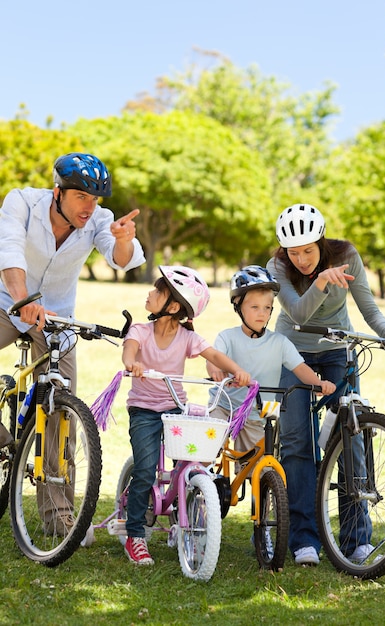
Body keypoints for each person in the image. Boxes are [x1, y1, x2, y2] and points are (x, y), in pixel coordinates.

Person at [0, 152, 146, 531]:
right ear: (57, 192)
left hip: (56, 319)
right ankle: (4, 445)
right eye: (81, 196)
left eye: (95, 198)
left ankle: (58, 516)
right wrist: (24, 300)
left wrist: (125, 241)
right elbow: (10, 250)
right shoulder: (22, 202)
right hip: (7, 302)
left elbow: (120, 258)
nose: (89, 206)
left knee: (60, 410)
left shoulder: (98, 220)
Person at [266, 203, 385, 566]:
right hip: (293, 356)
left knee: (351, 440)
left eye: (307, 250)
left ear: (321, 241)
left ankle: (355, 539)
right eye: (293, 252)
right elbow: (297, 313)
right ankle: (304, 539)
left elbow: (368, 306)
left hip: (338, 351)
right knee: (299, 444)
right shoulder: (277, 267)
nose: (301, 259)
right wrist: (319, 282)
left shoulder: (347, 255)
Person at [122, 265, 251, 565]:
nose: (150, 293)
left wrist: (237, 371)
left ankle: (182, 517)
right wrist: (132, 364)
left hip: (175, 408)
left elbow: (214, 355)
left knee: (189, 464)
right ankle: (135, 536)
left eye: (157, 290)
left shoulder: (186, 337)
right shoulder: (140, 330)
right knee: (144, 470)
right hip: (143, 410)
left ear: (173, 306)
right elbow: (129, 350)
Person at [206, 265, 335, 463]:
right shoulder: (227, 337)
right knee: (206, 451)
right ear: (238, 307)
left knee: (258, 468)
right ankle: (200, 484)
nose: (262, 313)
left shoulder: (280, 342)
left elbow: (300, 367)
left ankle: (260, 492)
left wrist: (319, 384)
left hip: (258, 414)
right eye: (255, 307)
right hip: (224, 406)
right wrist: (215, 371)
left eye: (267, 308)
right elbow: (214, 358)